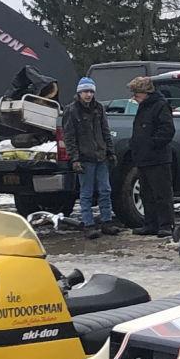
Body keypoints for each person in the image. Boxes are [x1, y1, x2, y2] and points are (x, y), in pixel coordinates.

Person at [62, 76, 120, 240]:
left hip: (100, 156)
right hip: (84, 158)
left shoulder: (99, 108)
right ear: (79, 93)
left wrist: (110, 151)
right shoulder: (71, 110)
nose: (88, 95)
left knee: (105, 190)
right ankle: (88, 224)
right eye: (85, 92)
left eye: (90, 91)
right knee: (86, 193)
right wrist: (75, 159)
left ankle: (106, 222)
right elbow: (69, 137)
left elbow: (105, 131)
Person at [127, 75, 175, 238]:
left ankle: (166, 225)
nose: (134, 97)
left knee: (161, 193)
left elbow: (167, 130)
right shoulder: (144, 106)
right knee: (146, 193)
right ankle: (150, 223)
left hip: (158, 158)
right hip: (143, 158)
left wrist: (151, 144)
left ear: (145, 92)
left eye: (137, 93)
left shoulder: (160, 105)